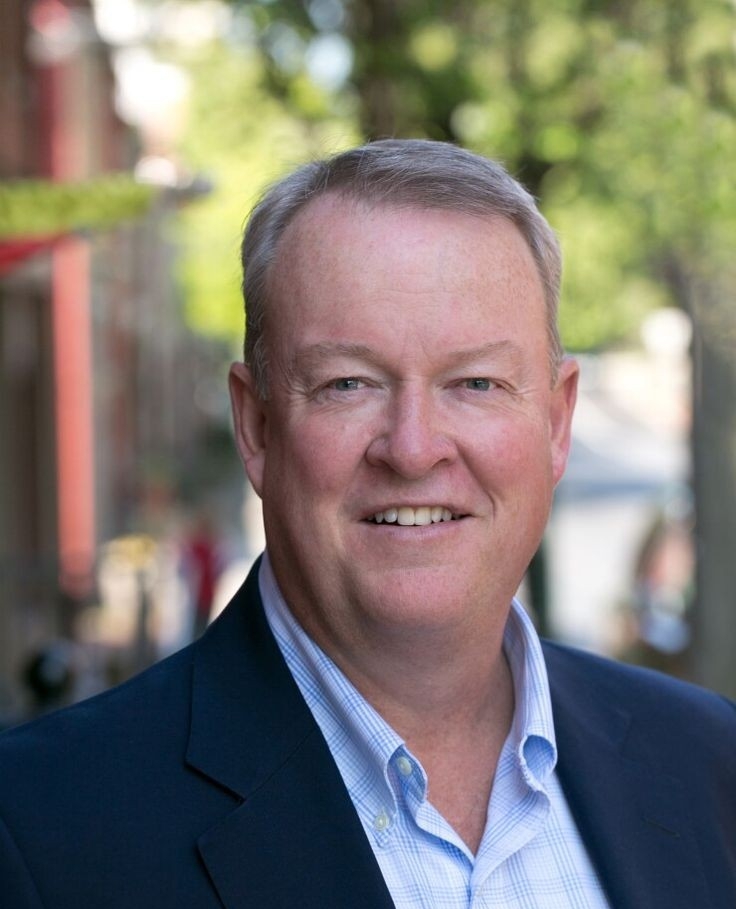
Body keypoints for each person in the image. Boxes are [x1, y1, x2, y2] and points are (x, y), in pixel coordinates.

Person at [0, 140, 733, 908]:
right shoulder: (41, 833)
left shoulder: (708, 762)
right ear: (255, 426)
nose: (413, 448)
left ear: (557, 420)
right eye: (348, 382)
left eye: (475, 382)